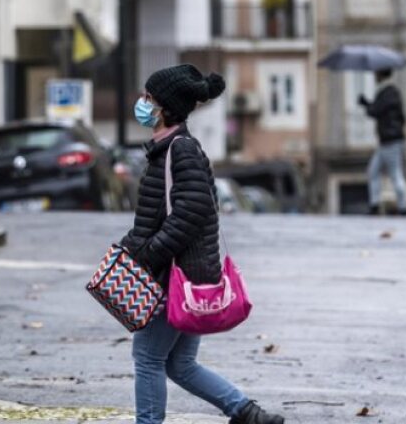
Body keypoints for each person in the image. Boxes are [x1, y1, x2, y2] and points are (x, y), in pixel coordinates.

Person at [120, 64, 284, 424]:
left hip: (173, 277)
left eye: (148, 97)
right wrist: (127, 247)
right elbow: (157, 215)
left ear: (163, 107)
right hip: (184, 272)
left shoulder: (180, 150)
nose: (142, 103)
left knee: (148, 358)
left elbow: (192, 211)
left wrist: (149, 252)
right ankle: (246, 412)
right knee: (180, 363)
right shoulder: (168, 150)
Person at [357, 68, 406, 215]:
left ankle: (403, 207)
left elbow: (375, 111)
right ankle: (374, 204)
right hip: (387, 141)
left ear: (380, 75)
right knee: (373, 171)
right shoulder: (392, 93)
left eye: (375, 74)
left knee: (395, 174)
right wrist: (368, 104)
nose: (374, 76)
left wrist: (365, 104)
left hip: (390, 140)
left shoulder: (387, 93)